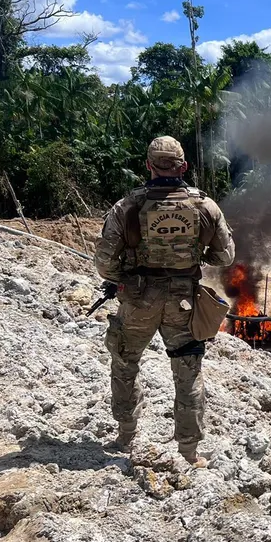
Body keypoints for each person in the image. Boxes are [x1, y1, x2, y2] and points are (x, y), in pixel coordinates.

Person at [94, 136, 235, 465]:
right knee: (187, 373)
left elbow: (104, 261)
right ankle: (189, 451)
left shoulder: (127, 206)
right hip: (183, 302)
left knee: (125, 364)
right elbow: (226, 255)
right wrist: (197, 256)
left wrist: (122, 278)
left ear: (148, 166)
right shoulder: (205, 206)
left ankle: (126, 435)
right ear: (183, 167)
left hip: (137, 301)